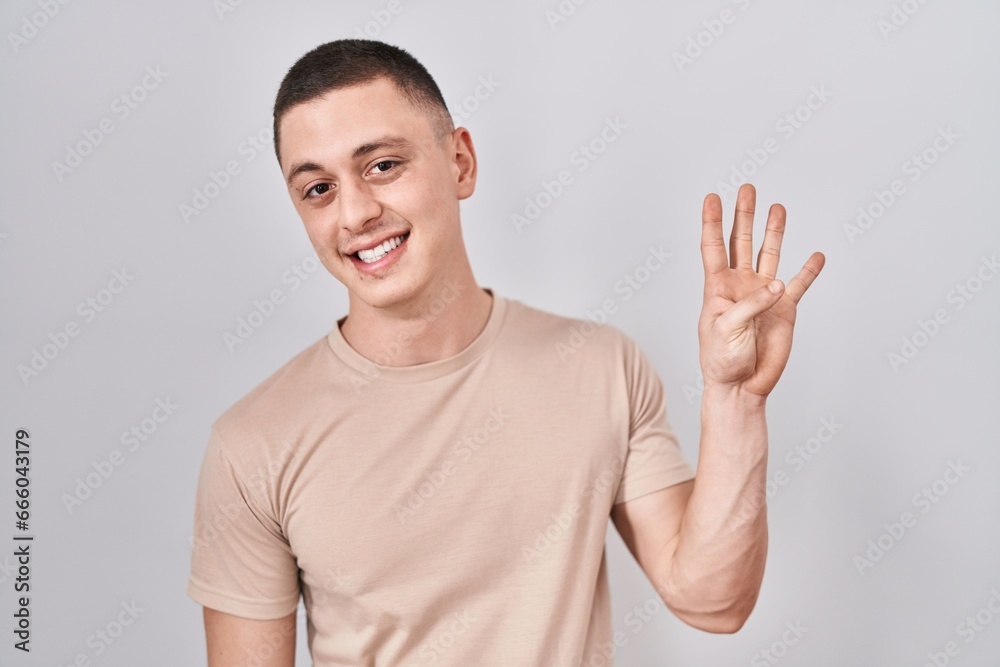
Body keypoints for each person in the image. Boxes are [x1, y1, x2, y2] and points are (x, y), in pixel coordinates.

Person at [186, 39, 825, 666]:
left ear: (460, 162)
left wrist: (737, 399)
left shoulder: (600, 366)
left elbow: (714, 601)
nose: (355, 213)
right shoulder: (253, 445)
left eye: (382, 165)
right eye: (318, 189)